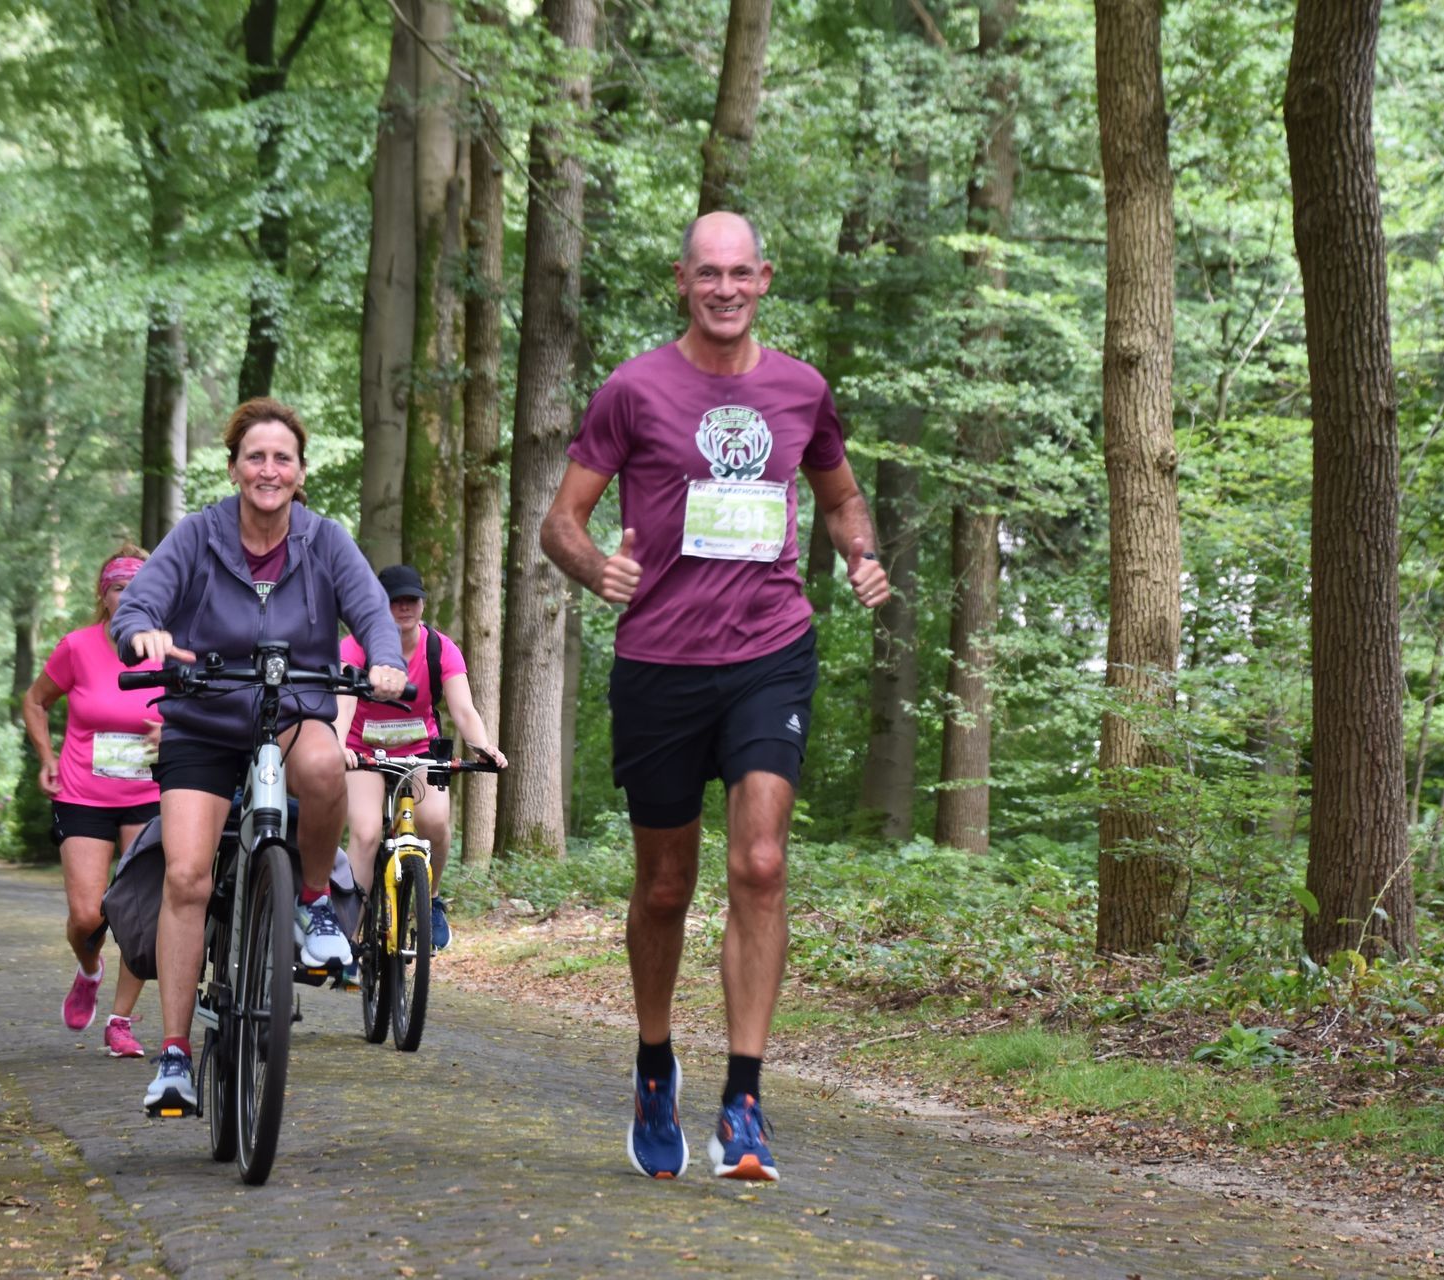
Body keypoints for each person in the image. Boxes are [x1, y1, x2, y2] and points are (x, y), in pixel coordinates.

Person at [540, 211, 889, 1182]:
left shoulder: (802, 389)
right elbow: (560, 520)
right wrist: (595, 567)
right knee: (664, 887)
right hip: (660, 661)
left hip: (770, 651)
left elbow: (840, 497)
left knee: (762, 862)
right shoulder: (634, 389)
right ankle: (655, 1064)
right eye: (709, 274)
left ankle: (745, 1101)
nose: (725, 289)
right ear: (683, 280)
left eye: (741, 273)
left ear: (764, 278)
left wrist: (859, 551)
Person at [111, 397, 407, 1115]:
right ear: (234, 468)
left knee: (326, 767)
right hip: (206, 719)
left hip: (292, 710)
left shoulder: (326, 541)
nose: (268, 470)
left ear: (300, 471)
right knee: (186, 876)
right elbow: (138, 606)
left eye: (282, 458)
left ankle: (314, 905)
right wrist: (144, 634)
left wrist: (387, 660)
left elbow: (372, 611)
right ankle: (175, 1057)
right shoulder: (198, 535)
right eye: (255, 457)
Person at [20, 545, 164, 1059]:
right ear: (104, 597)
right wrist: (47, 756)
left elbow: (202, 708)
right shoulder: (77, 647)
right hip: (83, 792)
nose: (130, 596)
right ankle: (88, 969)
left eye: (140, 588)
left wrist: (172, 729)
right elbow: (35, 701)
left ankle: (120, 1021)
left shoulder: (168, 648)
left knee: (140, 916)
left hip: (150, 793)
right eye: (120, 587)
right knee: (86, 916)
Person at [333, 563, 506, 953]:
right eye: (396, 600)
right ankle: (346, 938)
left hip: (419, 750)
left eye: (411, 599)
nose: (404, 607)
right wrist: (338, 745)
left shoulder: (440, 649)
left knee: (436, 822)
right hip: (363, 751)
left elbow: (463, 710)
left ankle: (431, 901)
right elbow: (342, 705)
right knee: (365, 833)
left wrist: (482, 746)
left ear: (423, 604)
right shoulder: (355, 647)